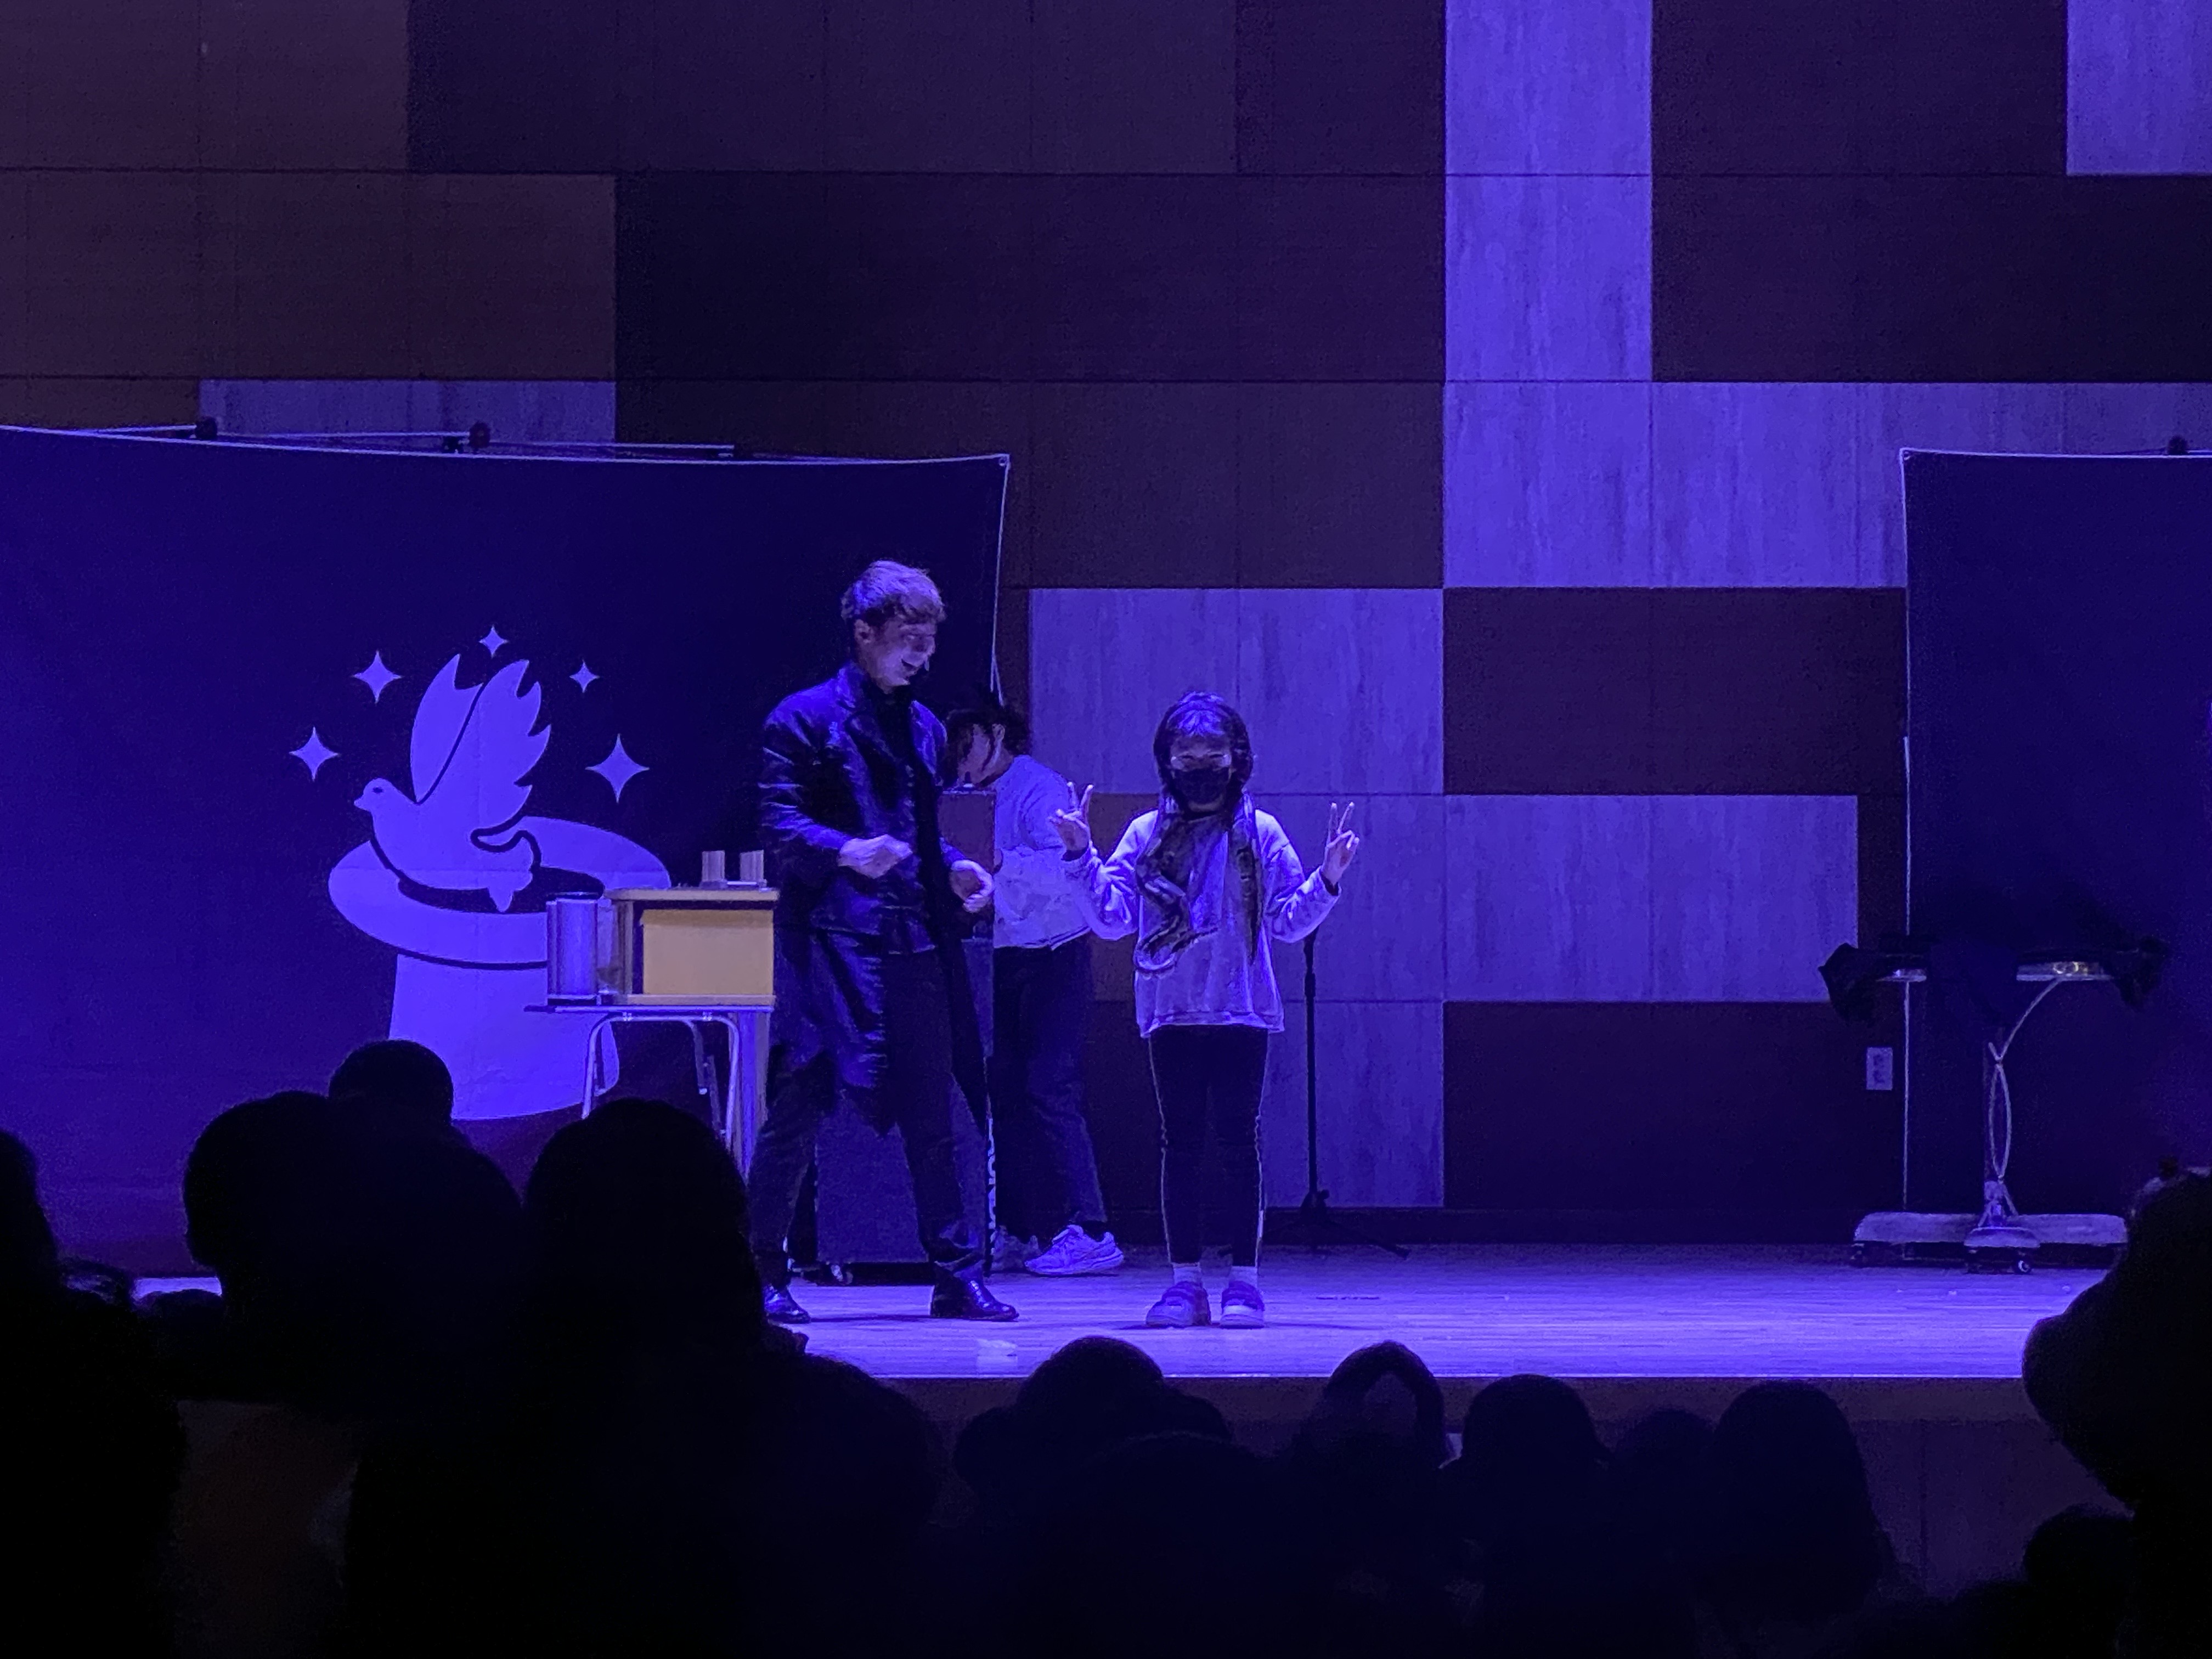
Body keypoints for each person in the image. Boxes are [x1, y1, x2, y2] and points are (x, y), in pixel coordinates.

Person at [747, 561, 1014, 1324]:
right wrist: (845, 850)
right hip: (829, 944)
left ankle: (956, 1272)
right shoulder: (801, 719)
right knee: (799, 1106)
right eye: (906, 638)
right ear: (864, 634)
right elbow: (778, 823)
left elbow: (922, 835)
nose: (920, 654)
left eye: (928, 640)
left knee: (935, 1113)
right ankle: (760, 1269)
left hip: (911, 940)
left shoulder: (924, 727)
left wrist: (957, 867)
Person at [1052, 691, 1358, 1329]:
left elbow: (1287, 922)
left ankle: (1245, 1284)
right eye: (1185, 755)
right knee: (1182, 1145)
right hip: (1171, 1012)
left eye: (1211, 754)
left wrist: (1327, 878)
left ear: (1236, 758)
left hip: (1242, 1011)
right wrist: (1081, 855)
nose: (1198, 766)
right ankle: (1184, 1285)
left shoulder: (1261, 832)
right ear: (1166, 760)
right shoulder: (1146, 834)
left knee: (1239, 1142)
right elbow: (1111, 919)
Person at [948, 691, 1121, 1276]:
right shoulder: (966, 794)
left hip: (1055, 954)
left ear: (996, 733)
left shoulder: (1038, 787)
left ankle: (1092, 1227)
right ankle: (1018, 1228)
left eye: (968, 743)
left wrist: (998, 862)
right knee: (1006, 1094)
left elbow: (1066, 869)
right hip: (1002, 957)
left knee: (1050, 1086)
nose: (961, 759)